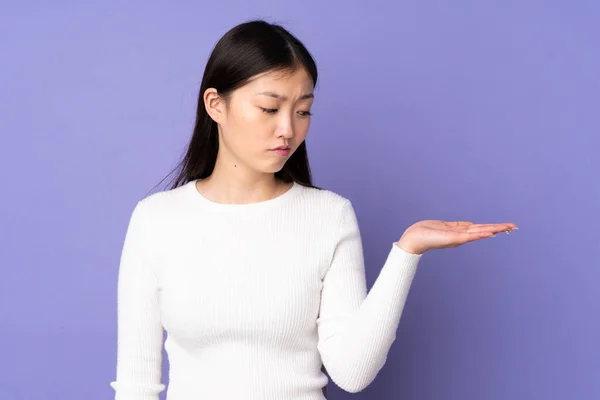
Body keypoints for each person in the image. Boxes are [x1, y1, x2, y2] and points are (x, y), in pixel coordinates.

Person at [109, 19, 517, 400]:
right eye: (270, 108)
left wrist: (407, 251)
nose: (288, 129)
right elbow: (135, 384)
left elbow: (352, 373)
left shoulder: (329, 216)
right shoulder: (156, 220)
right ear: (216, 105)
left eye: (302, 111)